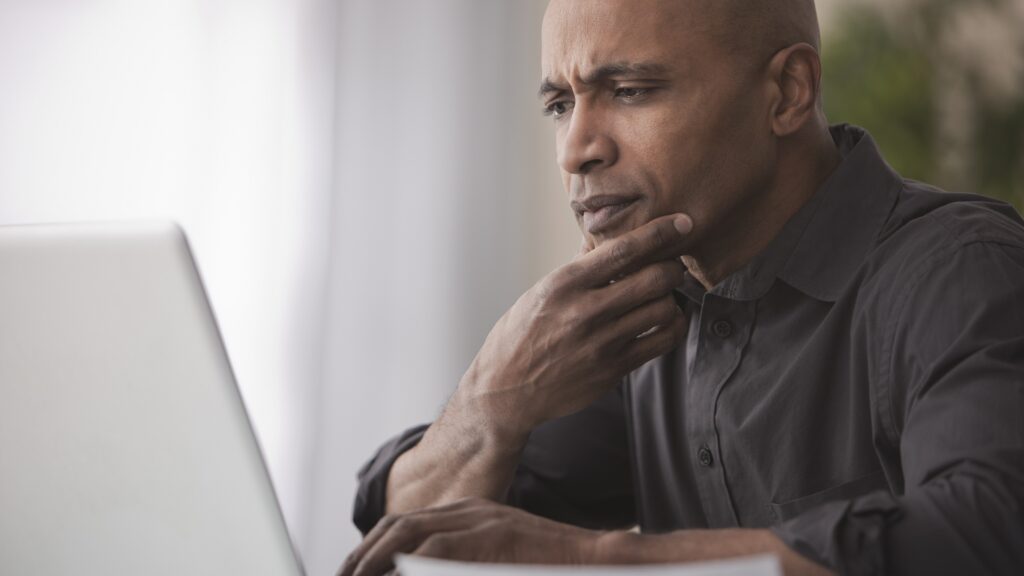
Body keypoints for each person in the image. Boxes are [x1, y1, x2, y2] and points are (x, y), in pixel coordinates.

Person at [340, 0, 1024, 574]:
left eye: (630, 91)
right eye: (560, 103)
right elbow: (408, 528)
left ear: (787, 92)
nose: (577, 149)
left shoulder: (960, 271)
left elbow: (989, 529)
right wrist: (490, 401)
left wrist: (607, 558)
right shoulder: (646, 314)